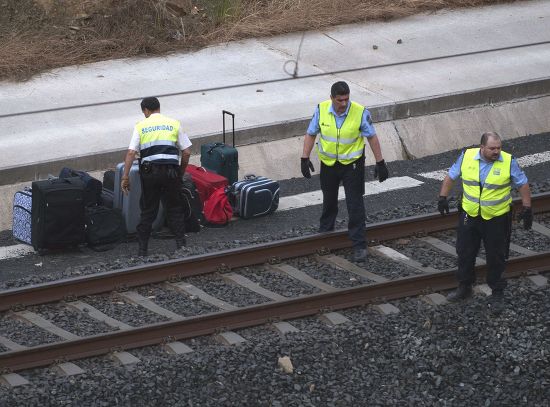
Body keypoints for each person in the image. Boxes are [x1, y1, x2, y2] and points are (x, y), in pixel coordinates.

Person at [438, 132, 532, 313]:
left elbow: (522, 184)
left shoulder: (508, 161)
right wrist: (442, 197)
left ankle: (497, 292)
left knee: (496, 255)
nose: (497, 151)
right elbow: (451, 176)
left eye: (499, 148)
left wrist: (527, 209)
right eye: (492, 148)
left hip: (496, 217)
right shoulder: (466, 157)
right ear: (482, 148)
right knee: (464, 251)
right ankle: (465, 287)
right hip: (470, 214)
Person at [300, 81, 389, 262]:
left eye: (346, 99)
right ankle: (325, 237)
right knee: (329, 201)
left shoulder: (360, 112)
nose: (344, 103)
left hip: (352, 165)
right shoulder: (321, 109)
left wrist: (380, 163)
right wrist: (304, 158)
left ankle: (359, 245)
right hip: (329, 164)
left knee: (355, 204)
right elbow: (311, 133)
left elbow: (371, 137)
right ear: (331, 98)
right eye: (340, 100)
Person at [121, 97, 192, 256]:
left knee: (148, 210)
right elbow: (186, 152)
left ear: (145, 110)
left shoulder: (141, 126)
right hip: (171, 172)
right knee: (174, 208)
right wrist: (180, 172)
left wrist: (125, 176)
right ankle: (181, 246)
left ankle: (142, 250)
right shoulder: (174, 124)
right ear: (158, 108)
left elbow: (132, 152)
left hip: (150, 173)